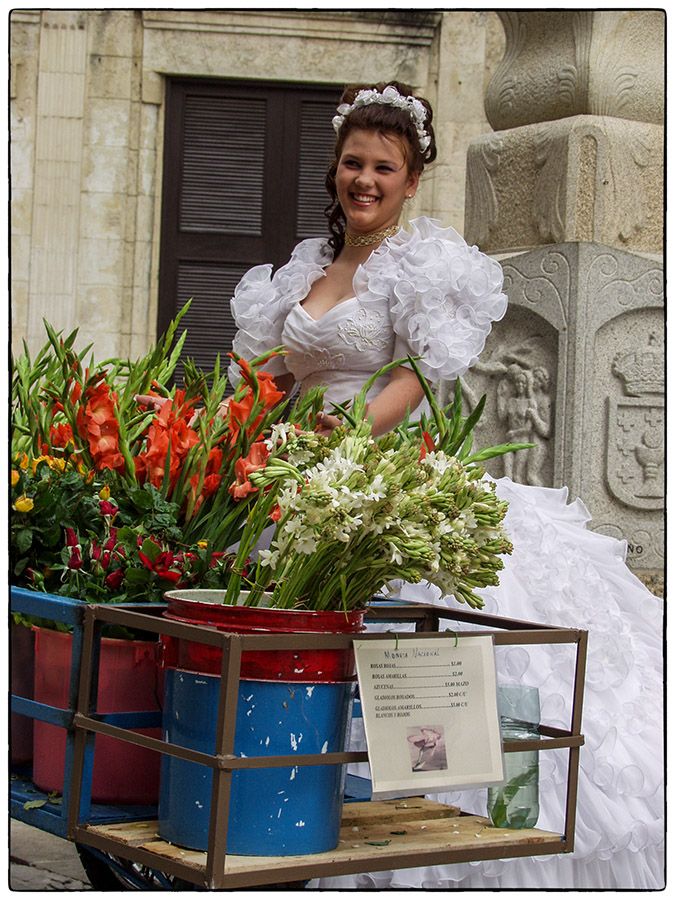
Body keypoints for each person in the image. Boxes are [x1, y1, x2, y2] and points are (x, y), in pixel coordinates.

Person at [227, 81, 664, 890]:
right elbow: (271, 370)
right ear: (334, 169)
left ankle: (436, 839)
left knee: (419, 646)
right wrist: (237, 427)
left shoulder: (422, 266)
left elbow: (416, 377)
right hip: (295, 478)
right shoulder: (307, 268)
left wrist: (343, 443)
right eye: (352, 163)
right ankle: (291, 799)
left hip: (375, 471)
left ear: (410, 180)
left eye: (382, 168)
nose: (363, 180)